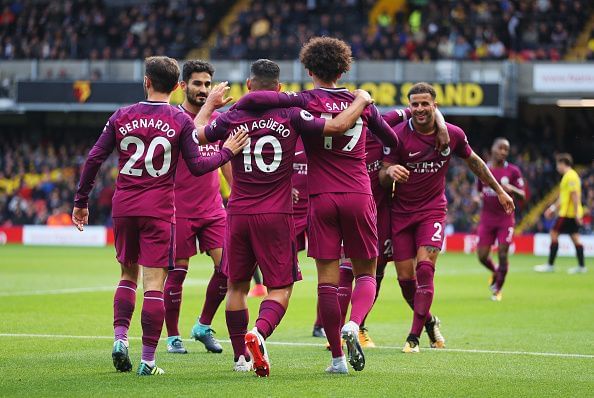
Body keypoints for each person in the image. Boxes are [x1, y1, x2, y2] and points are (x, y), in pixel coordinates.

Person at [233, 37, 448, 373]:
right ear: (345, 68)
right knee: (366, 273)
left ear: (308, 69)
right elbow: (392, 138)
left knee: (327, 282)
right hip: (359, 195)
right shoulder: (359, 103)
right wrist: (367, 110)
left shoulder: (300, 101)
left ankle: (336, 358)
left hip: (320, 199)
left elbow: (261, 98)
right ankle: (355, 323)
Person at [194, 59, 374, 376]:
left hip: (237, 211)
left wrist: (209, 104)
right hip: (276, 213)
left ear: (248, 86)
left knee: (236, 286)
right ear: (278, 88)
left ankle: (240, 359)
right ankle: (259, 333)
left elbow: (196, 136)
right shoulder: (292, 113)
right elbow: (334, 127)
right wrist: (360, 99)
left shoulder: (232, 116)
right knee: (280, 288)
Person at [71, 56, 248, 376]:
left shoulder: (122, 115)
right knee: (154, 284)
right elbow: (198, 164)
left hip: (125, 205)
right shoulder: (179, 121)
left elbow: (95, 157)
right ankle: (149, 359)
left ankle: (121, 340)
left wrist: (81, 200)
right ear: (177, 85)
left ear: (146, 81)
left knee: (127, 276)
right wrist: (228, 152)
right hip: (162, 209)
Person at [379, 82, 514, 353]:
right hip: (401, 213)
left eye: (425, 103)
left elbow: (474, 161)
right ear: (409, 106)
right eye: (414, 104)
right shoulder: (397, 136)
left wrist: (499, 191)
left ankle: (413, 337)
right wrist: (390, 172)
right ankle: (430, 322)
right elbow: (382, 175)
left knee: (425, 269)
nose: (419, 109)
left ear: (434, 106)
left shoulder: (451, 134)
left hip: (432, 211)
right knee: (406, 281)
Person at [164, 60, 231, 355]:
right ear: (182, 86)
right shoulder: (173, 118)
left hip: (212, 209)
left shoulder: (218, 120)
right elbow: (191, 134)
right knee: (177, 273)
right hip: (178, 208)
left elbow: (226, 158)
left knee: (228, 269)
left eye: (207, 84)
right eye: (197, 84)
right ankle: (173, 337)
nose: (203, 90)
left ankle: (203, 325)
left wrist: (238, 194)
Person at [476, 138, 525, 301]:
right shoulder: (483, 169)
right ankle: (496, 272)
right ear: (493, 149)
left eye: (506, 149)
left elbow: (523, 195)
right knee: (482, 256)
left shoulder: (513, 171)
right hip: (487, 219)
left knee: (503, 254)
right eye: (500, 148)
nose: (503, 152)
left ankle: (497, 289)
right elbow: (479, 190)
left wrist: (511, 189)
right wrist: (476, 198)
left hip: (505, 219)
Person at [535, 153, 586, 274]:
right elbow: (563, 197)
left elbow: (574, 196)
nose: (557, 167)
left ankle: (550, 265)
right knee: (575, 238)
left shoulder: (571, 176)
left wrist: (577, 213)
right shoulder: (568, 176)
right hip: (569, 213)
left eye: (558, 164)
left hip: (568, 214)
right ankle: (582, 266)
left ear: (563, 164)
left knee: (553, 233)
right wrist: (552, 209)